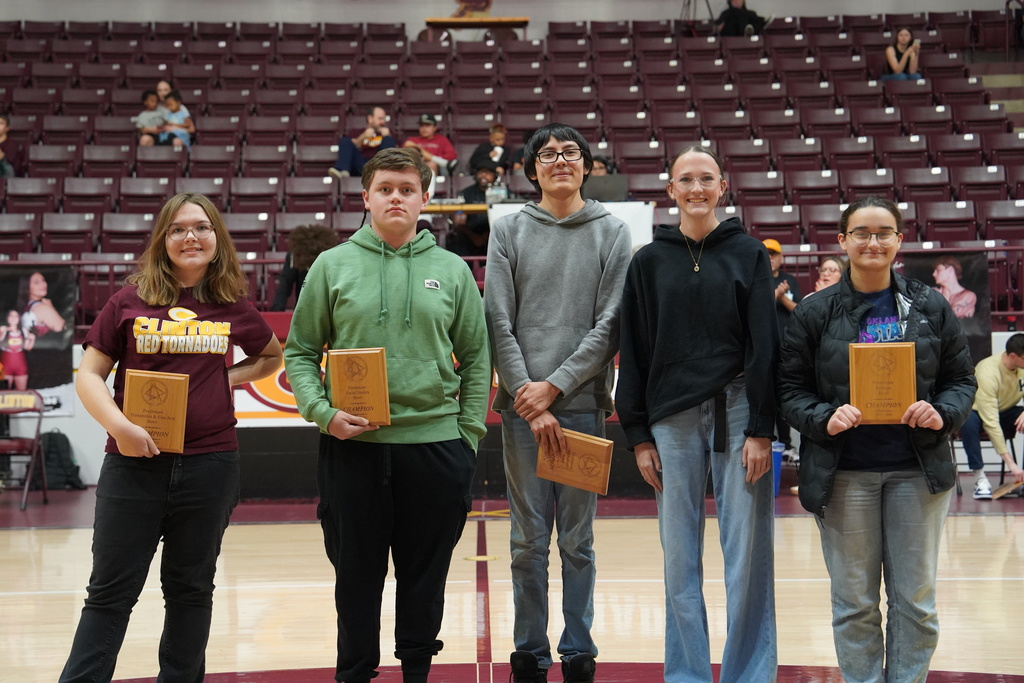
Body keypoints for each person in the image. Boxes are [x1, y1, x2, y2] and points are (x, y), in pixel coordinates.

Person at [284, 147, 490, 683]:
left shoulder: (452, 270)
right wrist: (322, 412)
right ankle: (354, 673)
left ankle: (417, 672)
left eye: (406, 189)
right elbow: (301, 352)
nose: (395, 197)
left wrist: (465, 438)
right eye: (385, 189)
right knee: (355, 577)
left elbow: (476, 358)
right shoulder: (331, 265)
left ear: (426, 198)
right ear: (366, 197)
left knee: (425, 577)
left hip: (436, 448)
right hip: (351, 448)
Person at [59, 192, 284, 682]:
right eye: (179, 228)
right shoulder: (128, 300)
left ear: (216, 239)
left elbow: (271, 356)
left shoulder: (229, 304)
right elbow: (89, 376)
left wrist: (222, 379)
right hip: (133, 466)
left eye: (202, 228)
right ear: (162, 239)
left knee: (189, 590)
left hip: (210, 466)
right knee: (110, 593)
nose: (191, 237)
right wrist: (121, 427)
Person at [777, 196, 976, 683]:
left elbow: (961, 379)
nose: (873, 241)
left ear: (899, 241)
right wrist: (826, 417)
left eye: (884, 232)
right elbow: (788, 390)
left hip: (918, 470)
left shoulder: (930, 304)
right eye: (861, 233)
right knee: (855, 604)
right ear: (843, 241)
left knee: (915, 603)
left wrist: (942, 411)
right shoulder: (814, 311)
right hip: (844, 475)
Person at [615, 144, 778, 683]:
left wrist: (761, 426)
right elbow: (633, 351)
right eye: (685, 179)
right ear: (670, 191)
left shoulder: (749, 253)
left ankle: (748, 675)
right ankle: (687, 674)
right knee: (678, 559)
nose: (696, 188)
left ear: (722, 187)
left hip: (738, 410)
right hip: (671, 419)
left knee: (747, 558)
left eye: (706, 178)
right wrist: (637, 433)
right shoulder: (647, 261)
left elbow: (764, 343)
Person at [484, 123, 632, 683]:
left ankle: (577, 647)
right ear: (532, 169)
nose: (559, 160)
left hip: (582, 407)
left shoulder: (612, 232)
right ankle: (529, 648)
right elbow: (498, 317)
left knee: (578, 540)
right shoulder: (509, 230)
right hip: (524, 412)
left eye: (570, 152)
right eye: (547, 154)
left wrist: (557, 387)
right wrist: (530, 397)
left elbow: (610, 323)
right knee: (527, 540)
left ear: (587, 165)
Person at [959, 333, 1024, 499]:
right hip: (979, 412)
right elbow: (991, 421)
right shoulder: (987, 372)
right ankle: (980, 477)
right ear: (1013, 356)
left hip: (1005, 409)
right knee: (968, 422)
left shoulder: (1021, 367)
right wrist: (1011, 464)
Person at [765, 238, 800, 458]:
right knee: (765, 396)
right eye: (766, 254)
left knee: (782, 397)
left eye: (773, 254)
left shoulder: (790, 279)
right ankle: (767, 441)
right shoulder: (755, 278)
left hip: (786, 348)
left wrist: (784, 298)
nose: (770, 258)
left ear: (781, 257)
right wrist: (775, 295)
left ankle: (786, 445)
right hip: (764, 348)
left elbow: (799, 310)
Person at [270, 223, 339, 311]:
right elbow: (285, 285)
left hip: (326, 307)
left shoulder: (330, 258)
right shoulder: (294, 256)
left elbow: (285, 284)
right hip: (306, 309)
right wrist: (277, 310)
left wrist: (277, 311)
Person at [328, 105, 398, 179]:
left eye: (384, 119)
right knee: (345, 140)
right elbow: (349, 148)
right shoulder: (357, 132)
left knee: (388, 140)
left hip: (378, 166)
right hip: (360, 165)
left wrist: (388, 136)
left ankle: (385, 173)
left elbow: (398, 152)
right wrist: (362, 137)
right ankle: (342, 171)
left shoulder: (389, 133)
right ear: (370, 118)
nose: (383, 122)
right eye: (380, 119)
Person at [449, 160, 498, 257]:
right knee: (457, 240)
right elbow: (459, 221)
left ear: (495, 175)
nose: (483, 175)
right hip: (470, 233)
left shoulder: (502, 192)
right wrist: (474, 237)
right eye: (480, 172)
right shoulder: (466, 193)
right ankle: (462, 271)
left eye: (487, 172)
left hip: (495, 231)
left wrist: (486, 236)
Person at [18, 271, 67, 336]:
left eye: (43, 280)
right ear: (27, 287)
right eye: (36, 282)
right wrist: (51, 308)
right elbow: (64, 331)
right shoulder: (41, 308)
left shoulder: (27, 306)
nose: (43, 284)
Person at [932, 254, 976, 319]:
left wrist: (945, 295)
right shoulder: (934, 293)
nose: (934, 274)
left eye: (938, 270)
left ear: (950, 270)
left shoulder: (968, 295)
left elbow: (952, 317)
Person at [0, 309, 35, 390]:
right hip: (5, 366)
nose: (13, 318)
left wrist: (32, 339)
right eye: (11, 316)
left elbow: (27, 348)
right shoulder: (3, 330)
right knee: (4, 393)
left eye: (16, 316)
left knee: (22, 393)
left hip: (20, 365)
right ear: (7, 318)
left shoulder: (23, 331)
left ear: (19, 318)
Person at [0, 113, 26, 178]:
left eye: (1, 123)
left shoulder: (12, 144)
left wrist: (2, 157)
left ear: (7, 128)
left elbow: (9, 167)